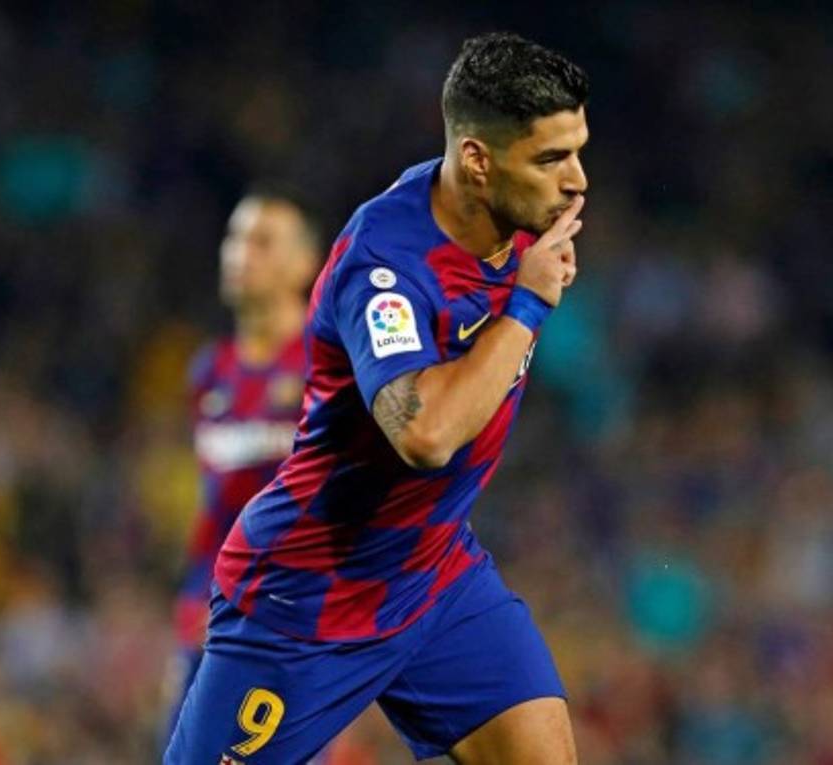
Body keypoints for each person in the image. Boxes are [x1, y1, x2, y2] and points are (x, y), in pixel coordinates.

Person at [165, 31, 589, 764]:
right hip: (307, 596)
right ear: (478, 161)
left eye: (578, 151)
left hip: (433, 576)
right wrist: (525, 307)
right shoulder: (385, 266)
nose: (577, 180)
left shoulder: (516, 222)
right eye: (552, 159)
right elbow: (425, 435)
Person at [165, 187, 319, 736]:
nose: (239, 253)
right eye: (234, 238)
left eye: (262, 241)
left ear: (304, 264)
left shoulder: (328, 364)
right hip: (209, 612)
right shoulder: (209, 371)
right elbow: (216, 504)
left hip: (294, 616)